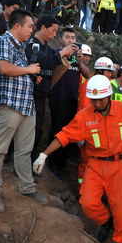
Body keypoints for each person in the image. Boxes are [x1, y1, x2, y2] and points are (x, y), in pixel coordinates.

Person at [33, 75, 122, 243]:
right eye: (94, 100)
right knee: (88, 202)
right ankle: (106, 221)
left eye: (101, 99)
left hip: (119, 166)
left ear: (109, 96)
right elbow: (65, 135)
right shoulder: (85, 116)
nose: (97, 103)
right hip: (96, 164)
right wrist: (44, 154)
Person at [0, 9, 47, 213]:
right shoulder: (3, 41)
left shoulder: (21, 47)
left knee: (24, 149)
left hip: (26, 105)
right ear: (17, 26)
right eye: (30, 26)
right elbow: (3, 68)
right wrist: (29, 70)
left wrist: (29, 76)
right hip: (9, 104)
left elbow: (16, 70)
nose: (32, 30)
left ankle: (27, 188)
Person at [25, 15, 81, 162]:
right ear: (43, 27)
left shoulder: (48, 49)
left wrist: (72, 59)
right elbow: (44, 63)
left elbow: (54, 68)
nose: (55, 34)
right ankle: (19, 162)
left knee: (37, 131)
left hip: (42, 96)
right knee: (29, 132)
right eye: (54, 30)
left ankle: (30, 161)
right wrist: (62, 53)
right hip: (29, 95)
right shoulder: (31, 44)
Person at [47, 27, 90, 176]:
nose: (71, 40)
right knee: (58, 129)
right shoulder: (56, 53)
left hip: (73, 98)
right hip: (58, 96)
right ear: (61, 39)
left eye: (73, 38)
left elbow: (87, 74)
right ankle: (51, 162)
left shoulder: (78, 57)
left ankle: (62, 164)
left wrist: (79, 62)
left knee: (69, 131)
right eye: (67, 37)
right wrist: (65, 55)